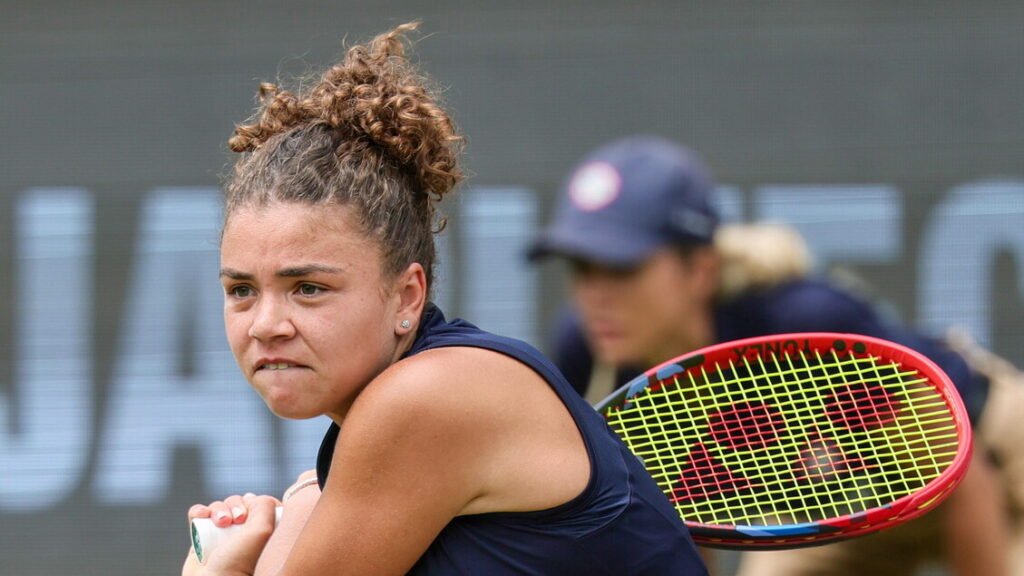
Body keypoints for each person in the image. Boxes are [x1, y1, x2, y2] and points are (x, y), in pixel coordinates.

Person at [181, 24, 708, 576]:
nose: (266, 324)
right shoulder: (356, 457)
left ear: (406, 295)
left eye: (308, 288)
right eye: (241, 290)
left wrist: (211, 569)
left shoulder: (423, 399)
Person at [528, 135, 1012, 576]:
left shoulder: (807, 327)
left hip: (998, 470)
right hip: (851, 509)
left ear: (700, 270)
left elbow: (966, 481)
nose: (596, 297)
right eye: (582, 268)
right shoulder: (589, 355)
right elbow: (675, 535)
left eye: (621, 267)